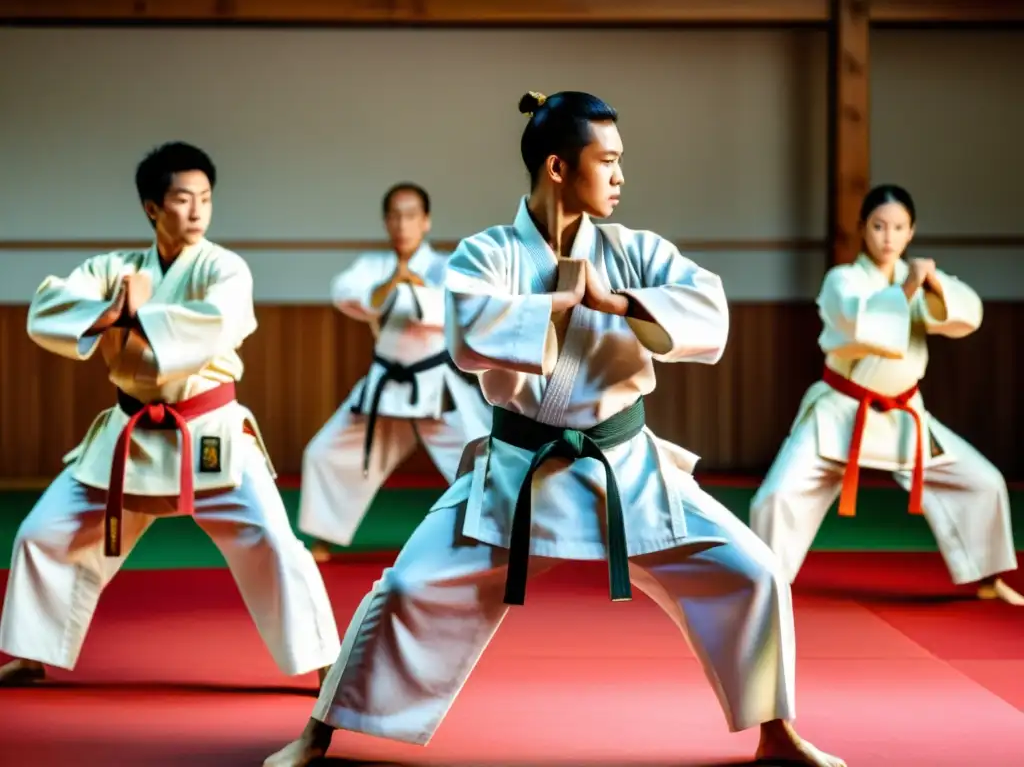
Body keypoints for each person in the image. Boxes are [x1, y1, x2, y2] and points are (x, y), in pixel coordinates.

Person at [264, 91, 845, 767]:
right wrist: (561, 304)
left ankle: (777, 732)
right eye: (608, 161)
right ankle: (320, 730)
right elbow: (470, 339)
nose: (622, 176)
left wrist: (619, 301)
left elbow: (706, 310)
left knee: (753, 571)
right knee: (405, 587)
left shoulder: (636, 251)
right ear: (558, 168)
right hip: (519, 470)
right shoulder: (484, 255)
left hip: (625, 467)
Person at [0, 142, 342, 687]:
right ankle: (31, 650)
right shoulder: (114, 268)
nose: (198, 210)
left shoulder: (224, 267)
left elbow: (221, 321)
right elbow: (47, 306)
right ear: (152, 208)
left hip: (209, 431)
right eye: (183, 199)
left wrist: (133, 319)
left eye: (206, 198)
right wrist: (101, 313)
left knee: (275, 541)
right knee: (41, 533)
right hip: (129, 436)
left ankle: (326, 661)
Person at [749, 184, 1021, 605]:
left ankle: (989, 577)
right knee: (778, 495)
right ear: (862, 229)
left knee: (982, 481)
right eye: (878, 226)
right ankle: (759, 585)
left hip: (902, 417)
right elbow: (860, 326)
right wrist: (908, 289)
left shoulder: (918, 277)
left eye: (898, 227)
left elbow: (965, 314)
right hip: (841, 413)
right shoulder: (843, 280)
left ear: (911, 232)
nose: (888, 237)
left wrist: (931, 287)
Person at [298, 183, 492, 560]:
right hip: (384, 385)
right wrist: (393, 285)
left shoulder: (447, 264)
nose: (403, 224)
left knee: (487, 454)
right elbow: (345, 293)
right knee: (324, 452)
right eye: (395, 216)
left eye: (411, 215)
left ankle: (496, 533)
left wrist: (413, 292)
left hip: (436, 386)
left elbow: (460, 307)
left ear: (426, 221)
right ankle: (322, 536)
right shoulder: (373, 267)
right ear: (386, 221)